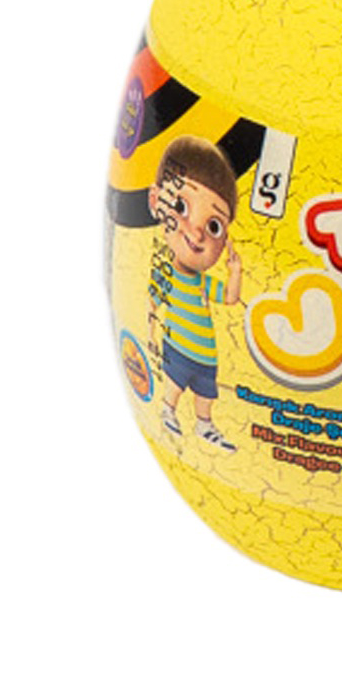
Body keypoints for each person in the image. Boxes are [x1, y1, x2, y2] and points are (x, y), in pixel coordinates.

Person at [148, 134, 244, 452]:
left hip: (205, 354)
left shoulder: (203, 283)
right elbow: (152, 303)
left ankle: (204, 425)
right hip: (178, 346)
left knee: (206, 393)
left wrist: (235, 272)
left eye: (214, 226)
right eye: (181, 207)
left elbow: (230, 298)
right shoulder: (166, 272)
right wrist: (151, 335)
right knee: (174, 384)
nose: (197, 232)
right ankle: (168, 410)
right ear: (155, 201)